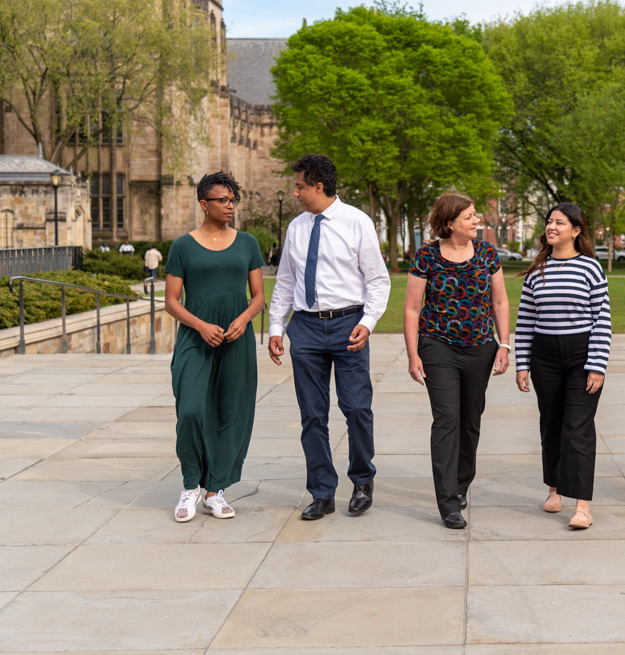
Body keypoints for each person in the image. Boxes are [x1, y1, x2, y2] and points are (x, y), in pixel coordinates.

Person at [268, 154, 391, 521]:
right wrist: (277, 326)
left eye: (300, 186)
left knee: (355, 407)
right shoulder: (297, 227)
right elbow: (286, 280)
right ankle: (322, 492)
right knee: (312, 415)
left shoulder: (357, 222)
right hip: (305, 328)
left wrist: (368, 322)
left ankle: (362, 480)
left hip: (348, 324)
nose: (295, 193)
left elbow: (377, 280)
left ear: (318, 187)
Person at [403, 193, 511, 529]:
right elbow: (411, 308)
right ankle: (448, 502)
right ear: (450, 223)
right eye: (468, 216)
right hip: (438, 346)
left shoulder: (487, 254)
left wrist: (504, 344)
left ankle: (462, 484)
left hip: (480, 347)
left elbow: (500, 301)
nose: (475, 220)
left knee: (470, 419)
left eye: (475, 215)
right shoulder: (427, 256)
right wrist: (413, 354)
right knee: (447, 419)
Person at [164, 172, 265, 522]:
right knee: (191, 409)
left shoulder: (248, 243)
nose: (230, 205)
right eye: (222, 200)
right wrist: (201, 325)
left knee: (228, 413)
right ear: (203, 204)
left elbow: (258, 297)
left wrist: (244, 319)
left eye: (233, 199)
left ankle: (214, 490)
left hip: (236, 340)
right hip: (196, 337)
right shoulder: (183, 246)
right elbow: (172, 302)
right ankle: (191, 484)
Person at [515, 203, 611, 530]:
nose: (551, 227)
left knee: (578, 428)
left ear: (576, 230)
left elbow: (602, 320)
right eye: (549, 222)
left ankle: (582, 505)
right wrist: (522, 364)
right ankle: (554, 490)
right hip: (544, 357)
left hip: (582, 356)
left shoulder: (590, 268)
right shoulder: (537, 269)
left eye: (559, 222)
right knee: (552, 424)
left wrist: (597, 365)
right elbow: (526, 320)